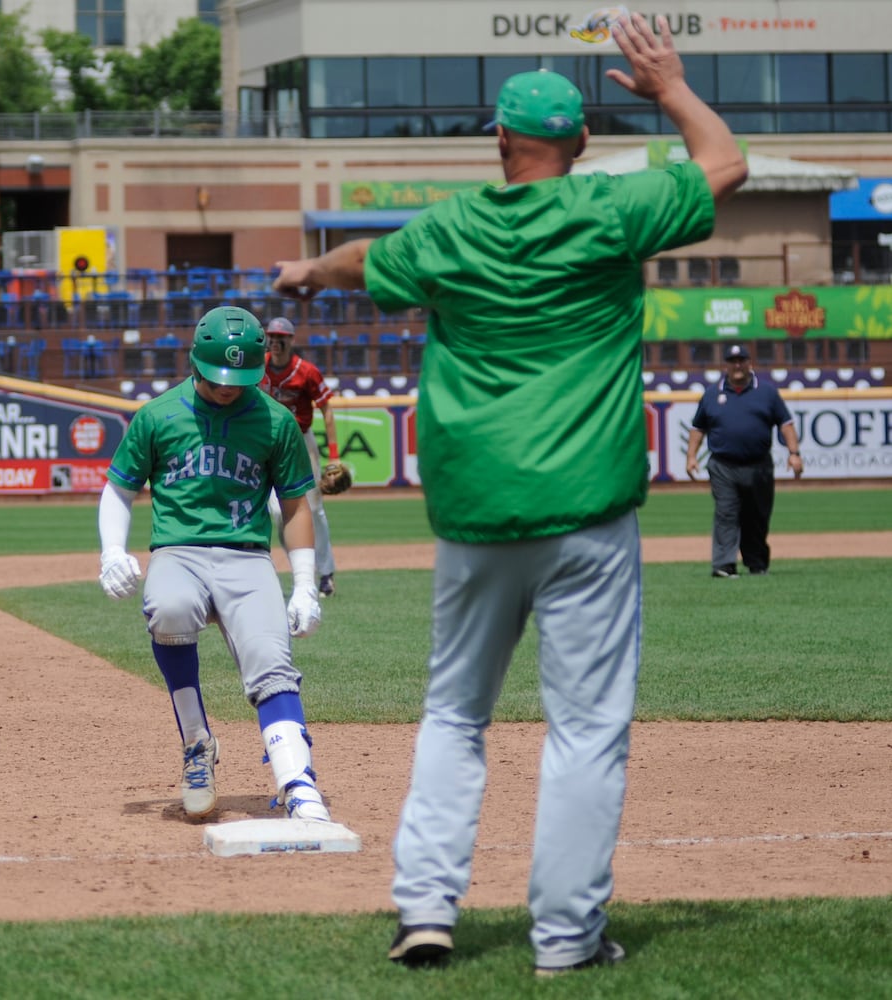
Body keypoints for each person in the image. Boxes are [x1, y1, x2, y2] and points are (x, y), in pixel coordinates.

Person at [272, 12, 747, 976]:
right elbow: (725, 166)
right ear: (580, 144)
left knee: (454, 714)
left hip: (476, 513)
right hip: (588, 511)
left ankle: (425, 913)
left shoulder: (450, 229)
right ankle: (566, 939)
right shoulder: (611, 211)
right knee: (584, 731)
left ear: (498, 140)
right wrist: (667, 88)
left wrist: (306, 274)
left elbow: (362, 263)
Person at [96, 305, 331, 824]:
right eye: (220, 376)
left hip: (246, 555)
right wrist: (113, 550)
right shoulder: (158, 415)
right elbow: (119, 488)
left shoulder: (275, 420)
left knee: (272, 663)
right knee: (170, 608)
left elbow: (294, 505)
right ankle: (198, 746)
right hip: (177, 551)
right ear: (195, 361)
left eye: (241, 377)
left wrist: (306, 585)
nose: (229, 387)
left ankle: (297, 781)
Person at [686, 342, 803, 577]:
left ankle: (757, 563)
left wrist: (794, 453)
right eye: (732, 361)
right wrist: (691, 457)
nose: (737, 365)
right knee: (726, 512)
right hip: (723, 465)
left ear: (750, 363)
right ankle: (723, 565)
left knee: (757, 515)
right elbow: (698, 427)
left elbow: (786, 424)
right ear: (726, 365)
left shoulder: (766, 392)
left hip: (758, 465)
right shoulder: (712, 393)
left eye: (741, 361)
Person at [259, 316, 340, 597]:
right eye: (271, 336)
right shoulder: (259, 368)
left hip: (302, 442)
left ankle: (326, 572)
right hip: (267, 441)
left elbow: (327, 410)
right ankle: (300, 567)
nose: (275, 341)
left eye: (281, 336)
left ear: (292, 340)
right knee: (279, 512)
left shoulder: (306, 371)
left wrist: (335, 456)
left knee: (314, 508)